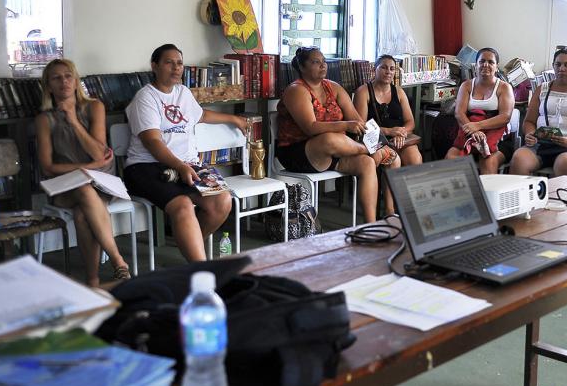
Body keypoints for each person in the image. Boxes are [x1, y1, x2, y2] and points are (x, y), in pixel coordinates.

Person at [123, 44, 247, 262]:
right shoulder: (146, 97)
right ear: (155, 66)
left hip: (187, 164)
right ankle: (199, 267)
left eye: (179, 63)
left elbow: (201, 115)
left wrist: (233, 118)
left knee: (222, 201)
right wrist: (180, 166)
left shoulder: (183, 92)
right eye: (168, 62)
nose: (176, 67)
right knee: (182, 205)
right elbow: (152, 141)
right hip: (147, 167)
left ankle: (189, 244)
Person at [36, 59, 130, 286]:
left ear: (76, 80)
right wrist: (86, 168)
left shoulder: (95, 107)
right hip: (64, 185)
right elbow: (48, 167)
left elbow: (98, 153)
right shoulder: (44, 119)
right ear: (48, 86)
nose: (64, 82)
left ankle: (93, 280)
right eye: (56, 78)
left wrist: (73, 121)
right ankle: (118, 261)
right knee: (82, 188)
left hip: (101, 183)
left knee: (82, 212)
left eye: (68, 76)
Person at [277, 46, 398, 222]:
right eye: (316, 62)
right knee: (330, 139)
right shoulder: (296, 90)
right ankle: (368, 150)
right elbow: (310, 127)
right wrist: (348, 126)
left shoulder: (334, 88)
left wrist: (380, 144)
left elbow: (359, 122)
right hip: (298, 152)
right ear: (302, 67)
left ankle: (371, 224)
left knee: (366, 164)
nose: (323, 65)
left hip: (337, 150)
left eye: (324, 61)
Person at [509, 48, 567, 177]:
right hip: (543, 144)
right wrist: (530, 134)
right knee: (519, 158)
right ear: (553, 66)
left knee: (565, 162)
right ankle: (523, 197)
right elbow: (529, 121)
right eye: (558, 64)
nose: (561, 68)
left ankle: (562, 197)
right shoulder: (542, 88)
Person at [445, 47, 515, 174]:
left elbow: (505, 117)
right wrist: (473, 132)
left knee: (488, 162)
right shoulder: (466, 85)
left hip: (498, 139)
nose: (485, 65)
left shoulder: (504, 87)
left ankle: (487, 194)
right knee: (451, 158)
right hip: (468, 135)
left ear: (496, 66)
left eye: (490, 62)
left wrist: (477, 126)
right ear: (476, 65)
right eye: (482, 61)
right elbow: (459, 113)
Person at [352, 54, 423, 167]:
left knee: (415, 158)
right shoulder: (363, 92)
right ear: (373, 70)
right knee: (393, 161)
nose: (388, 72)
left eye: (392, 68)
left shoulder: (399, 92)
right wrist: (389, 131)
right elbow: (361, 127)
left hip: (398, 138)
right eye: (383, 67)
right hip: (374, 139)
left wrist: (401, 133)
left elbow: (410, 122)